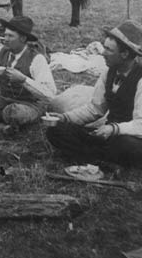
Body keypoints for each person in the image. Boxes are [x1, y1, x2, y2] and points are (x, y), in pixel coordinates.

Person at [46, 20, 142, 167]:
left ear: (124, 54)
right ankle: (103, 159)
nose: (103, 53)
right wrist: (65, 118)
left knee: (128, 146)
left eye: (109, 50)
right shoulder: (108, 72)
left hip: (130, 137)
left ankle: (92, 156)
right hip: (108, 134)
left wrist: (114, 129)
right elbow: (95, 109)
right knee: (56, 131)